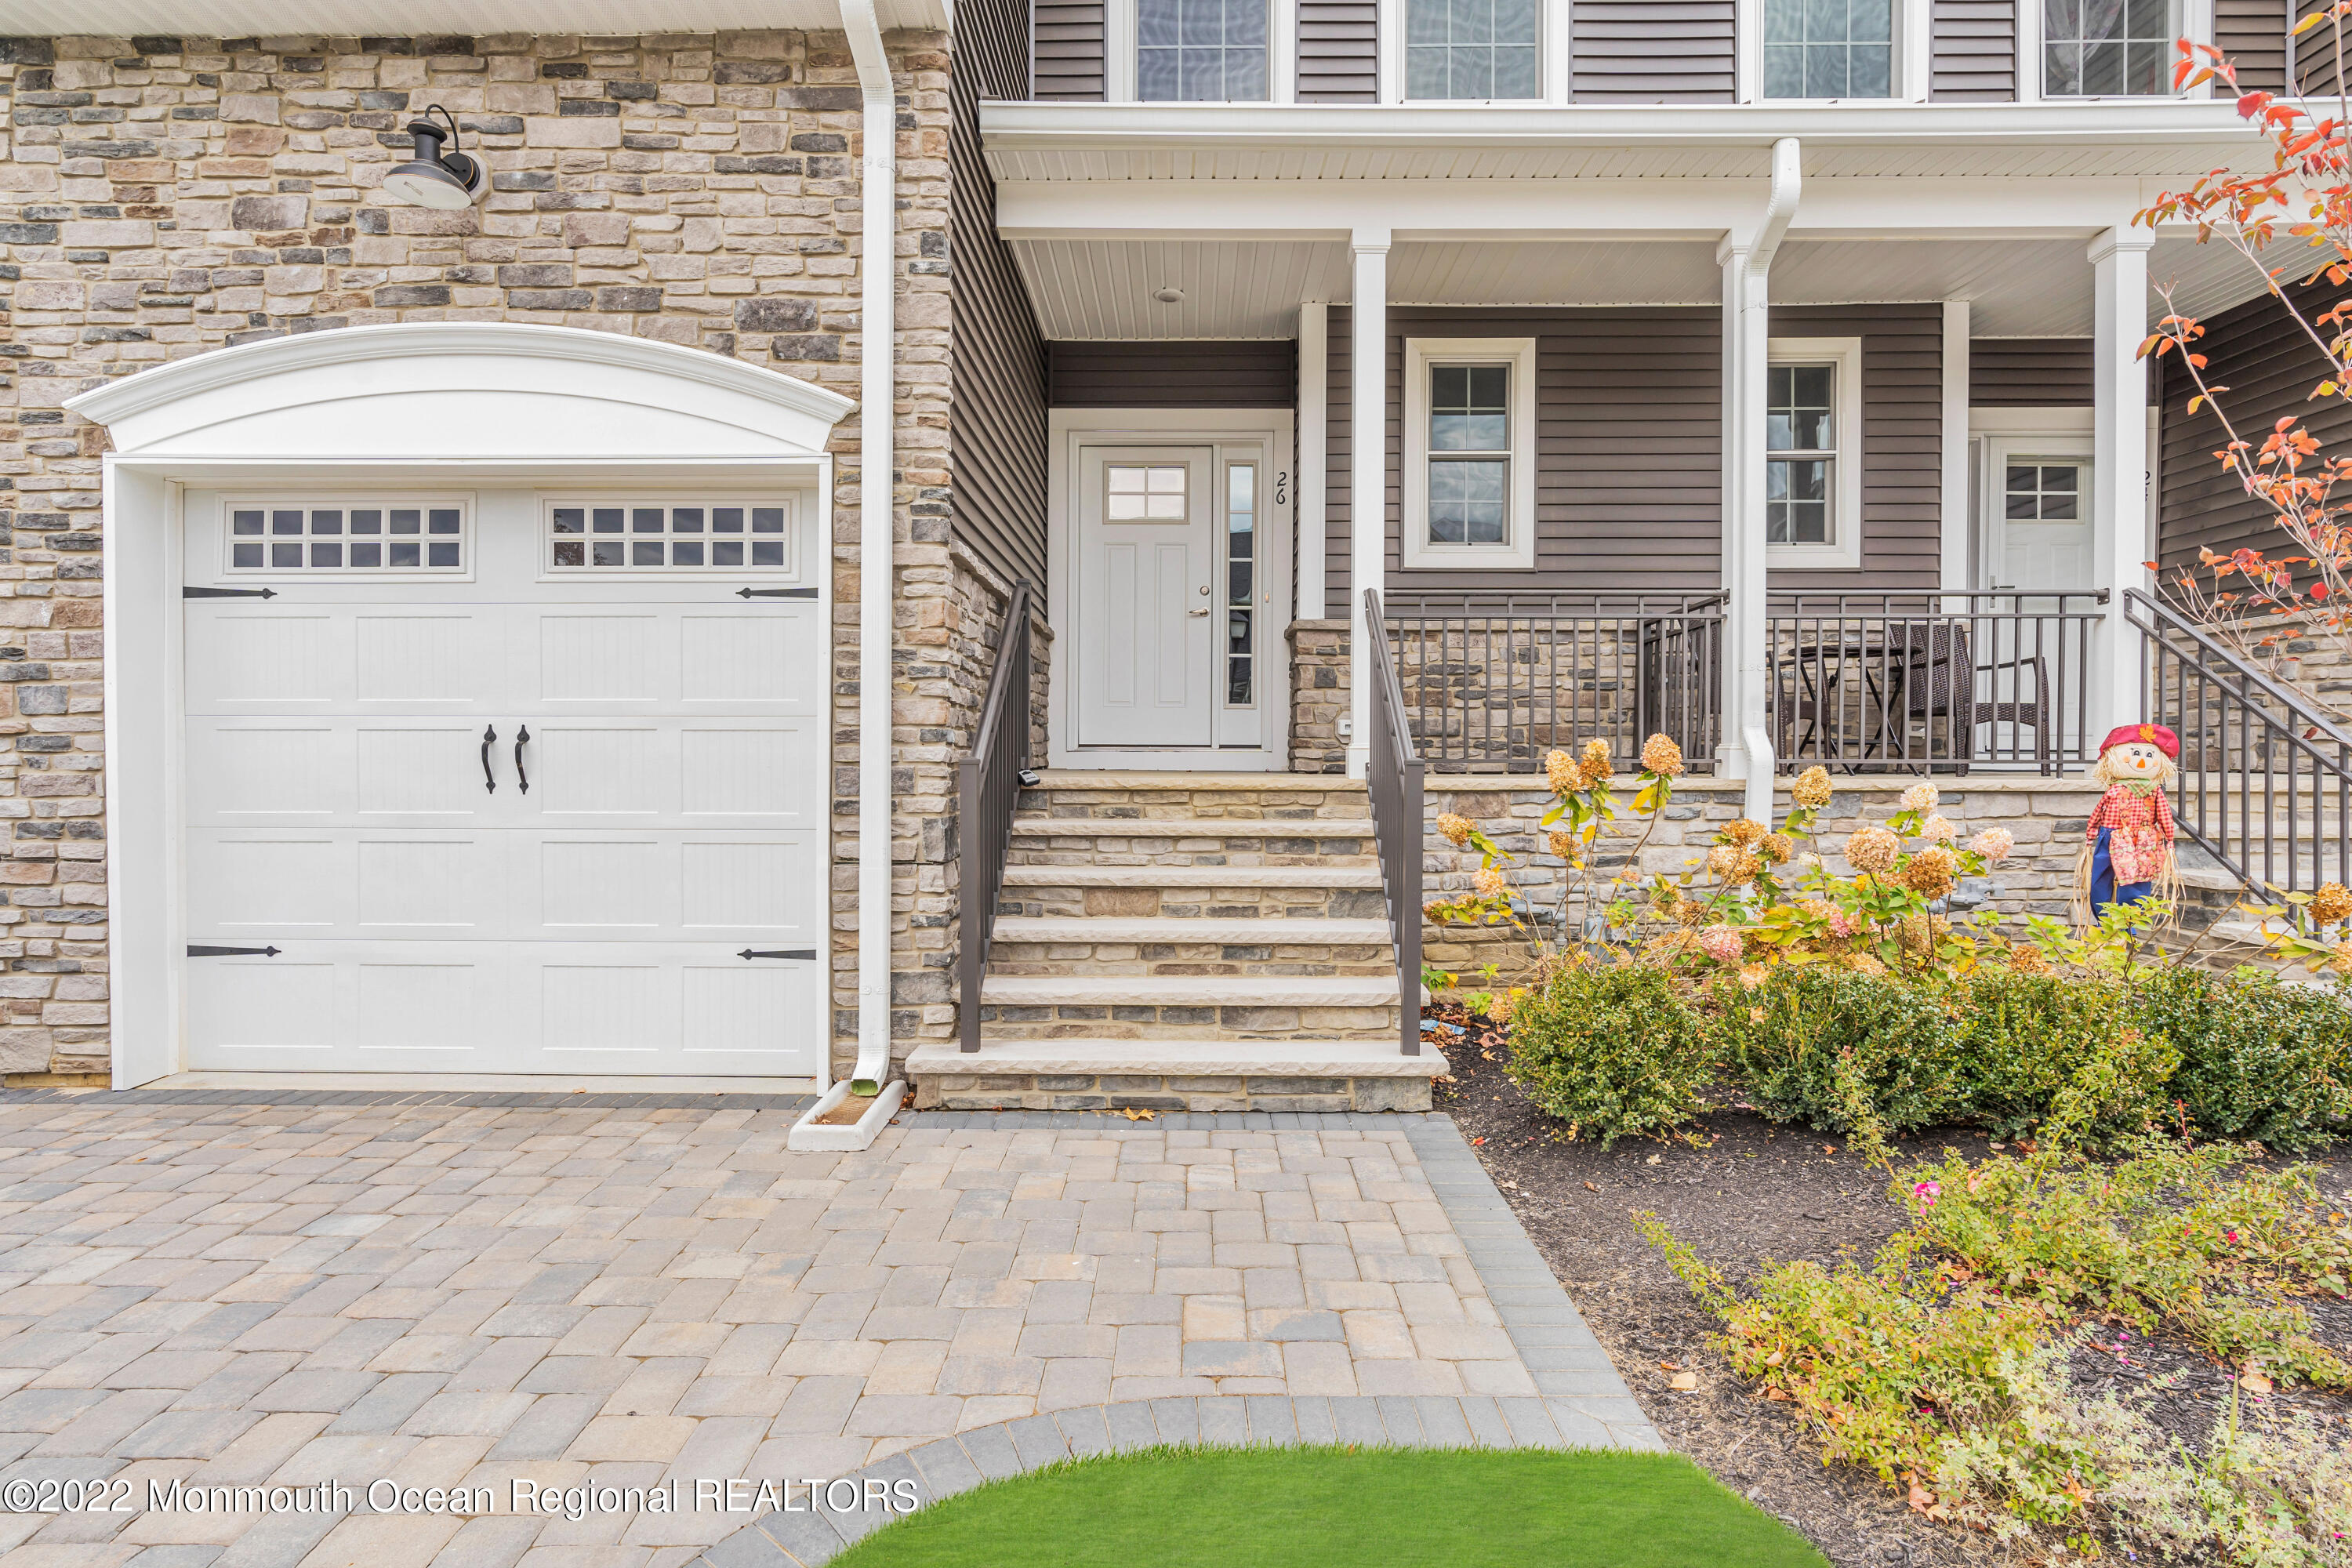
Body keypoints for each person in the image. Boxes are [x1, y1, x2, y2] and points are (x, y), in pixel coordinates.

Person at [2071, 722, 2182, 930]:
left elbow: (2165, 815)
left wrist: (2169, 838)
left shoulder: (2155, 791)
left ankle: (2129, 922)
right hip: (2112, 835)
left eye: (2149, 755)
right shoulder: (2114, 790)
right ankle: (2105, 918)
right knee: (2102, 876)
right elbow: (2098, 813)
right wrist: (2091, 835)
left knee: (2138, 877)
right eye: (2136, 753)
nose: (2141, 760)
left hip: (2144, 841)